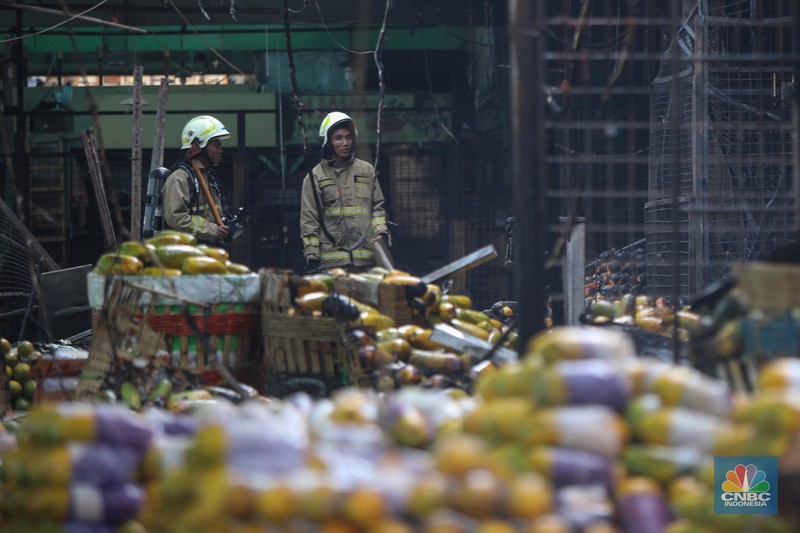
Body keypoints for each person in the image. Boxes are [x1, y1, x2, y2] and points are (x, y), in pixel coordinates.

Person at [300, 111, 389, 273]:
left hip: (366, 261)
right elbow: (309, 220)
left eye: (348, 137)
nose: (345, 143)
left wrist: (381, 231)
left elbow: (377, 208)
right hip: (333, 264)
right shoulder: (315, 177)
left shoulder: (367, 170)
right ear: (327, 142)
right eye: (338, 138)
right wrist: (312, 255)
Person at [161, 115, 231, 245]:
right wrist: (212, 230)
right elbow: (176, 217)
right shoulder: (179, 178)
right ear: (199, 147)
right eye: (216, 146)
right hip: (185, 253)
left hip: (206, 251)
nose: (220, 151)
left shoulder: (209, 177)